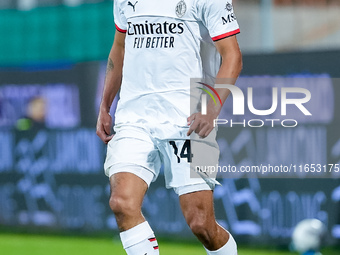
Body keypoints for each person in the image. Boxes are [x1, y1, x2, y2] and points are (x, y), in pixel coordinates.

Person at [96, 0, 242, 254]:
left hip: (189, 120)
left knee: (201, 224)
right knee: (121, 202)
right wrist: (105, 104)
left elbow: (233, 56)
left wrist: (211, 108)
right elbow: (119, 47)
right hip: (134, 119)